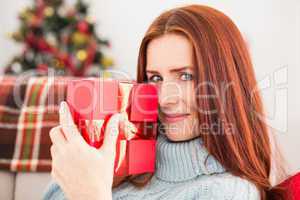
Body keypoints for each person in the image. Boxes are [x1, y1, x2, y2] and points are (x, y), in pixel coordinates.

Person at [43, 4, 286, 200]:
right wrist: (72, 172)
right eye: (155, 78)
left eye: (186, 76)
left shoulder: (227, 192)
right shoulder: (119, 164)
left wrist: (90, 195)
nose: (165, 98)